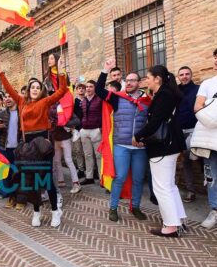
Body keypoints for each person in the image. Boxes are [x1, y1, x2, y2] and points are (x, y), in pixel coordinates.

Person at [0, 54, 67, 227]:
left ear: (41, 90)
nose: (34, 89)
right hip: (28, 146)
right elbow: (9, 88)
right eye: (32, 87)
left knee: (47, 180)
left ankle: (56, 211)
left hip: (43, 145)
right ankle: (36, 212)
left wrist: (62, 71)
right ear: (28, 90)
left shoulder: (45, 102)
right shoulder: (21, 102)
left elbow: (62, 91)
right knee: (32, 181)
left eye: (37, 87)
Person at [133, 65, 186, 237]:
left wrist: (138, 136)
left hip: (164, 147)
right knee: (169, 186)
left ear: (157, 78)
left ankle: (170, 226)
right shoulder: (165, 94)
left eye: (148, 77)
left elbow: (155, 123)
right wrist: (146, 140)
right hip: (168, 145)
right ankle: (178, 220)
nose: (145, 81)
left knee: (162, 187)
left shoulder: (164, 95)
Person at [96, 58, 150, 222]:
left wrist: (145, 138)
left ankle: (136, 207)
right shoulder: (117, 98)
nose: (130, 83)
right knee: (119, 177)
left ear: (139, 83)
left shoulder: (147, 101)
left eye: (134, 80)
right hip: (121, 146)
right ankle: (113, 208)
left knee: (138, 179)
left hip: (140, 148)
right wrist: (105, 70)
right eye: (129, 80)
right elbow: (99, 90)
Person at [192, 48, 217, 229]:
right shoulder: (208, 83)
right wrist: (213, 117)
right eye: (215, 57)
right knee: (212, 175)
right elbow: (197, 107)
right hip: (211, 136)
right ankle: (215, 210)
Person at [176, 66, 200, 203]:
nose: (184, 76)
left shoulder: (198, 89)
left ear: (191, 75)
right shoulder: (175, 91)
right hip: (179, 131)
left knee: (196, 160)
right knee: (185, 162)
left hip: (195, 131)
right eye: (182, 74)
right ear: (178, 77)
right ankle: (191, 191)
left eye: (187, 74)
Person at [79, 80, 102, 185]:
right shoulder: (83, 100)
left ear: (95, 88)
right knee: (87, 155)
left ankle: (102, 178)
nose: (88, 89)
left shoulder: (99, 99)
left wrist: (100, 128)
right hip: (84, 131)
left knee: (98, 155)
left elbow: (103, 114)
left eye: (90, 87)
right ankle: (89, 177)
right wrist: (80, 129)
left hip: (96, 130)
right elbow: (80, 115)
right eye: (87, 87)